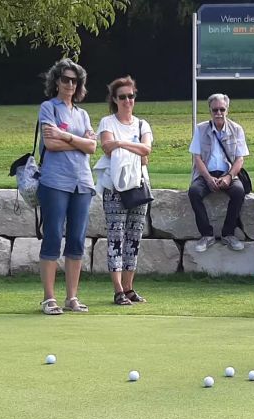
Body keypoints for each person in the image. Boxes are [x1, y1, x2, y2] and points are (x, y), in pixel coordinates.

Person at [37, 58, 97, 315]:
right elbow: (50, 145)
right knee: (52, 236)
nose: (70, 84)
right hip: (54, 181)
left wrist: (66, 136)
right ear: (57, 81)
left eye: (74, 80)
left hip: (82, 182)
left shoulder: (82, 114)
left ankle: (71, 297)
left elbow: (92, 147)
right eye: (65, 79)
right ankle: (49, 298)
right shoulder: (48, 107)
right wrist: (79, 141)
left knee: (76, 240)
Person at [94, 76, 153, 306]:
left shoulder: (142, 124)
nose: (128, 100)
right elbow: (107, 148)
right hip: (115, 187)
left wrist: (122, 144)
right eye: (122, 97)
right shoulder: (107, 123)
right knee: (116, 237)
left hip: (138, 186)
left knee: (134, 238)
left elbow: (147, 149)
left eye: (131, 96)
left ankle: (129, 288)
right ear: (114, 99)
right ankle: (118, 289)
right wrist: (133, 148)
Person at [188, 93, 249, 252]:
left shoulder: (236, 129)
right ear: (210, 110)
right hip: (206, 173)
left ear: (227, 110)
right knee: (194, 192)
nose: (218, 113)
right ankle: (206, 235)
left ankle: (228, 233)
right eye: (215, 110)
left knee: (238, 192)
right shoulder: (201, 129)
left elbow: (240, 159)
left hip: (228, 172)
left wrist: (229, 177)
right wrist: (208, 178)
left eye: (222, 109)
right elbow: (197, 158)